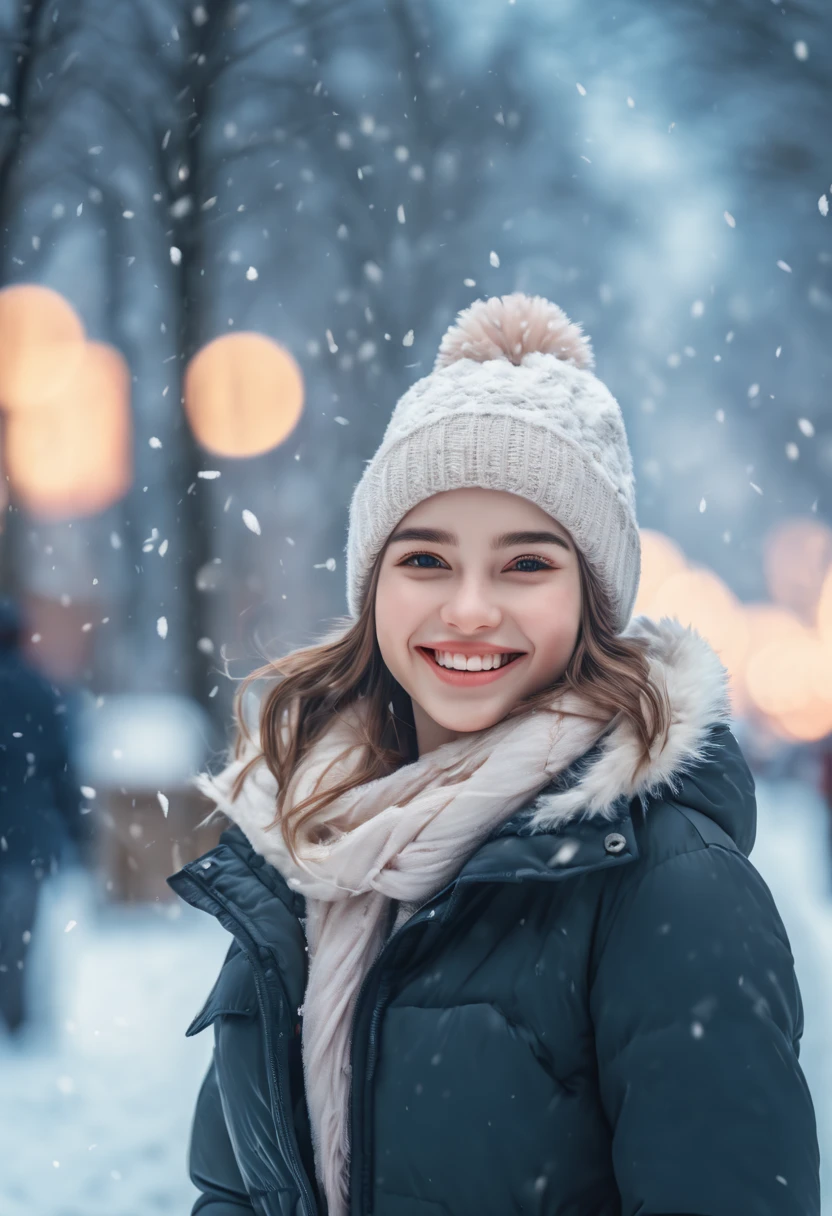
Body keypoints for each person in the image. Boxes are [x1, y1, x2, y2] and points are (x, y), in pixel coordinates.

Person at [169, 294, 820, 1216]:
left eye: (525, 565)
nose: (469, 609)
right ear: (373, 587)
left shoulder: (675, 888)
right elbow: (237, 1191)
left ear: (593, 601)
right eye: (426, 560)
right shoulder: (311, 848)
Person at [0, 597, 91, 1036]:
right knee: (18, 934)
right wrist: (78, 829)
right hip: (26, 835)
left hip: (22, 830)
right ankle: (14, 1016)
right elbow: (62, 766)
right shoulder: (40, 691)